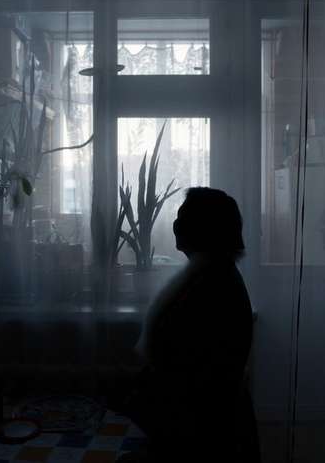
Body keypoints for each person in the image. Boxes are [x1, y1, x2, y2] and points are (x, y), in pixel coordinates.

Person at [119, 187, 257, 462]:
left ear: (206, 227)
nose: (175, 224)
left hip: (197, 429)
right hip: (195, 421)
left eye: (184, 217)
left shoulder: (212, 284)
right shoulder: (211, 274)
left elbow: (192, 371)